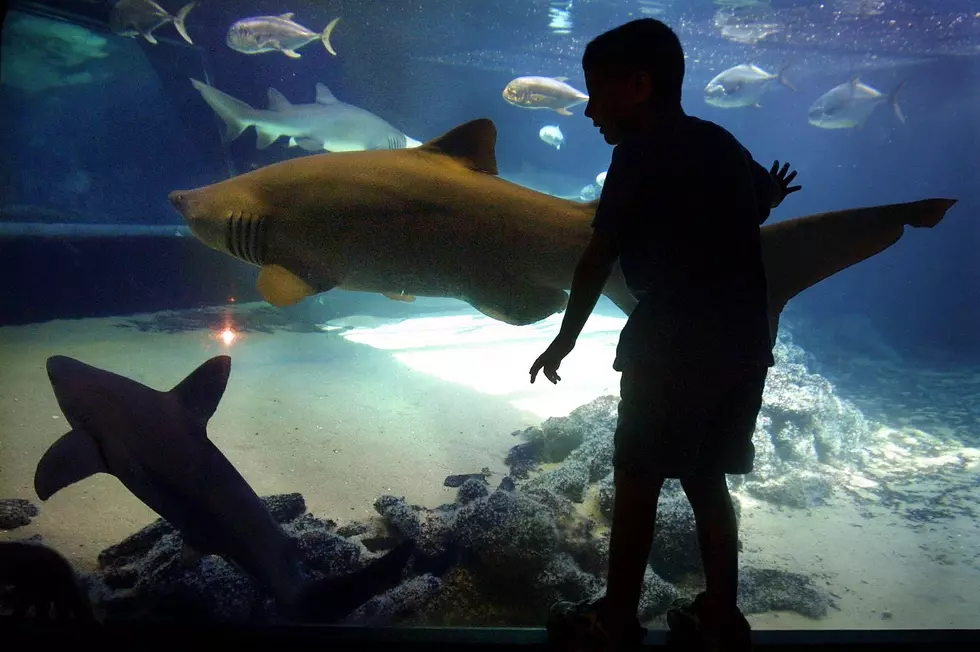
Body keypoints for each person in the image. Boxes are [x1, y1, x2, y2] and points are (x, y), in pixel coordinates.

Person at [529, 18, 802, 652]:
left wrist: (565, 339)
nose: (591, 108)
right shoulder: (720, 140)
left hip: (672, 345)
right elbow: (756, 199)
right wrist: (773, 193)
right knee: (707, 477)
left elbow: (598, 255)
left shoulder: (637, 156)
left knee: (638, 479)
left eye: (596, 91)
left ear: (639, 86)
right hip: (742, 344)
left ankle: (614, 620)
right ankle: (719, 614)